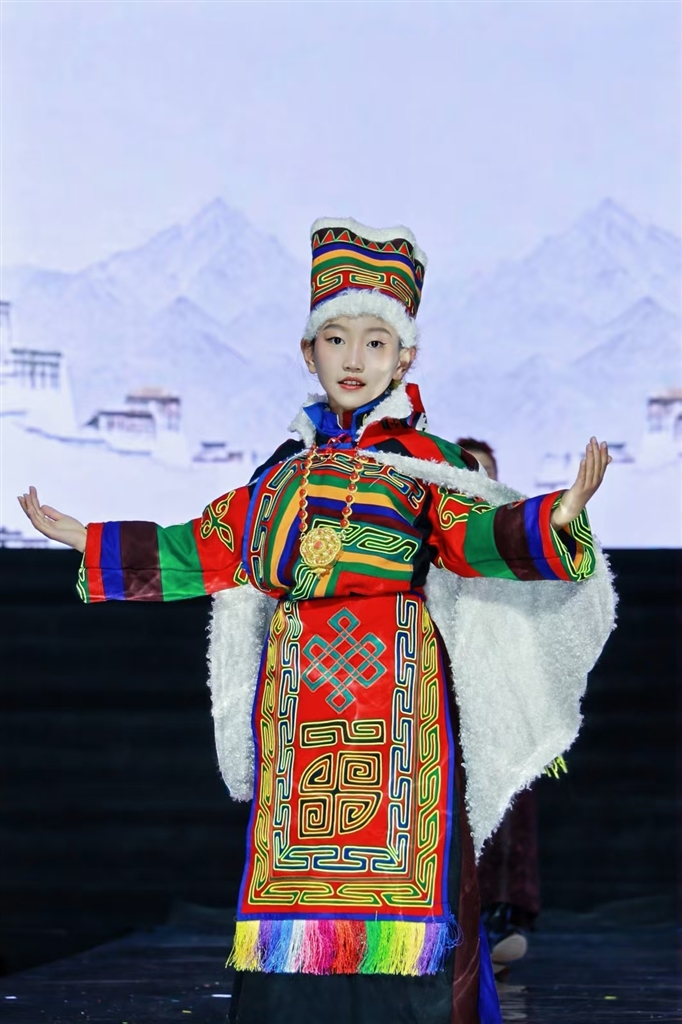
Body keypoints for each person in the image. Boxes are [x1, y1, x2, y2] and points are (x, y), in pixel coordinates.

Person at [19, 218, 615, 1024]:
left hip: (401, 706)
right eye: (337, 339)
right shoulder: (281, 477)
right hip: (300, 707)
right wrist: (86, 539)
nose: (354, 358)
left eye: (376, 342)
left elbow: (477, 539)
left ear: (404, 359)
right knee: (297, 885)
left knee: (413, 877)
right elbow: (204, 548)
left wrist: (558, 514)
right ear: (310, 353)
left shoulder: (425, 467)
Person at [455, 437, 539, 976]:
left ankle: (499, 923)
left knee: (509, 807)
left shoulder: (515, 544)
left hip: (502, 695)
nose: (478, 483)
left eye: (487, 473)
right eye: (468, 472)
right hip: (438, 693)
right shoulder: (427, 535)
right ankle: (453, 927)